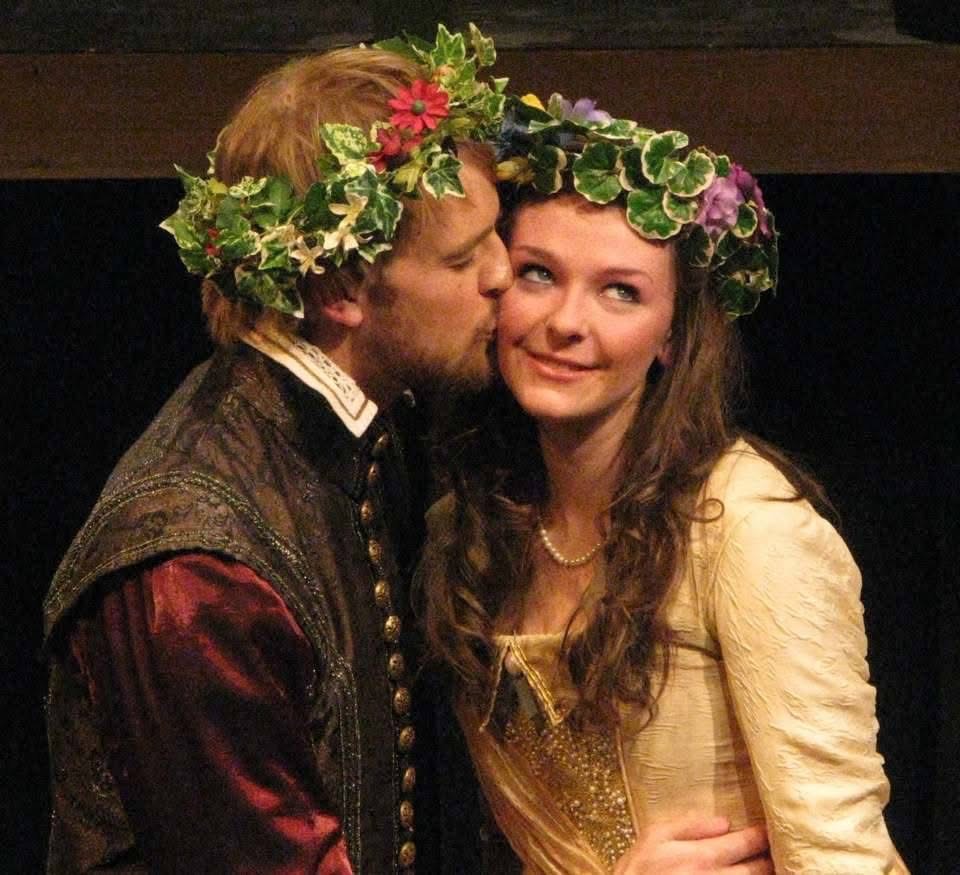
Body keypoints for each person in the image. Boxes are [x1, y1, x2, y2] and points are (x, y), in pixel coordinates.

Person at [40, 27, 771, 875]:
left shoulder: (359, 436)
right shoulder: (198, 567)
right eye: (466, 257)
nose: (505, 276)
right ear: (342, 290)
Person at [421, 93, 909, 873]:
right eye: (539, 274)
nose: (566, 322)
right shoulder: (473, 530)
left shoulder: (747, 530)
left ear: (672, 337)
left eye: (621, 291)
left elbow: (841, 855)